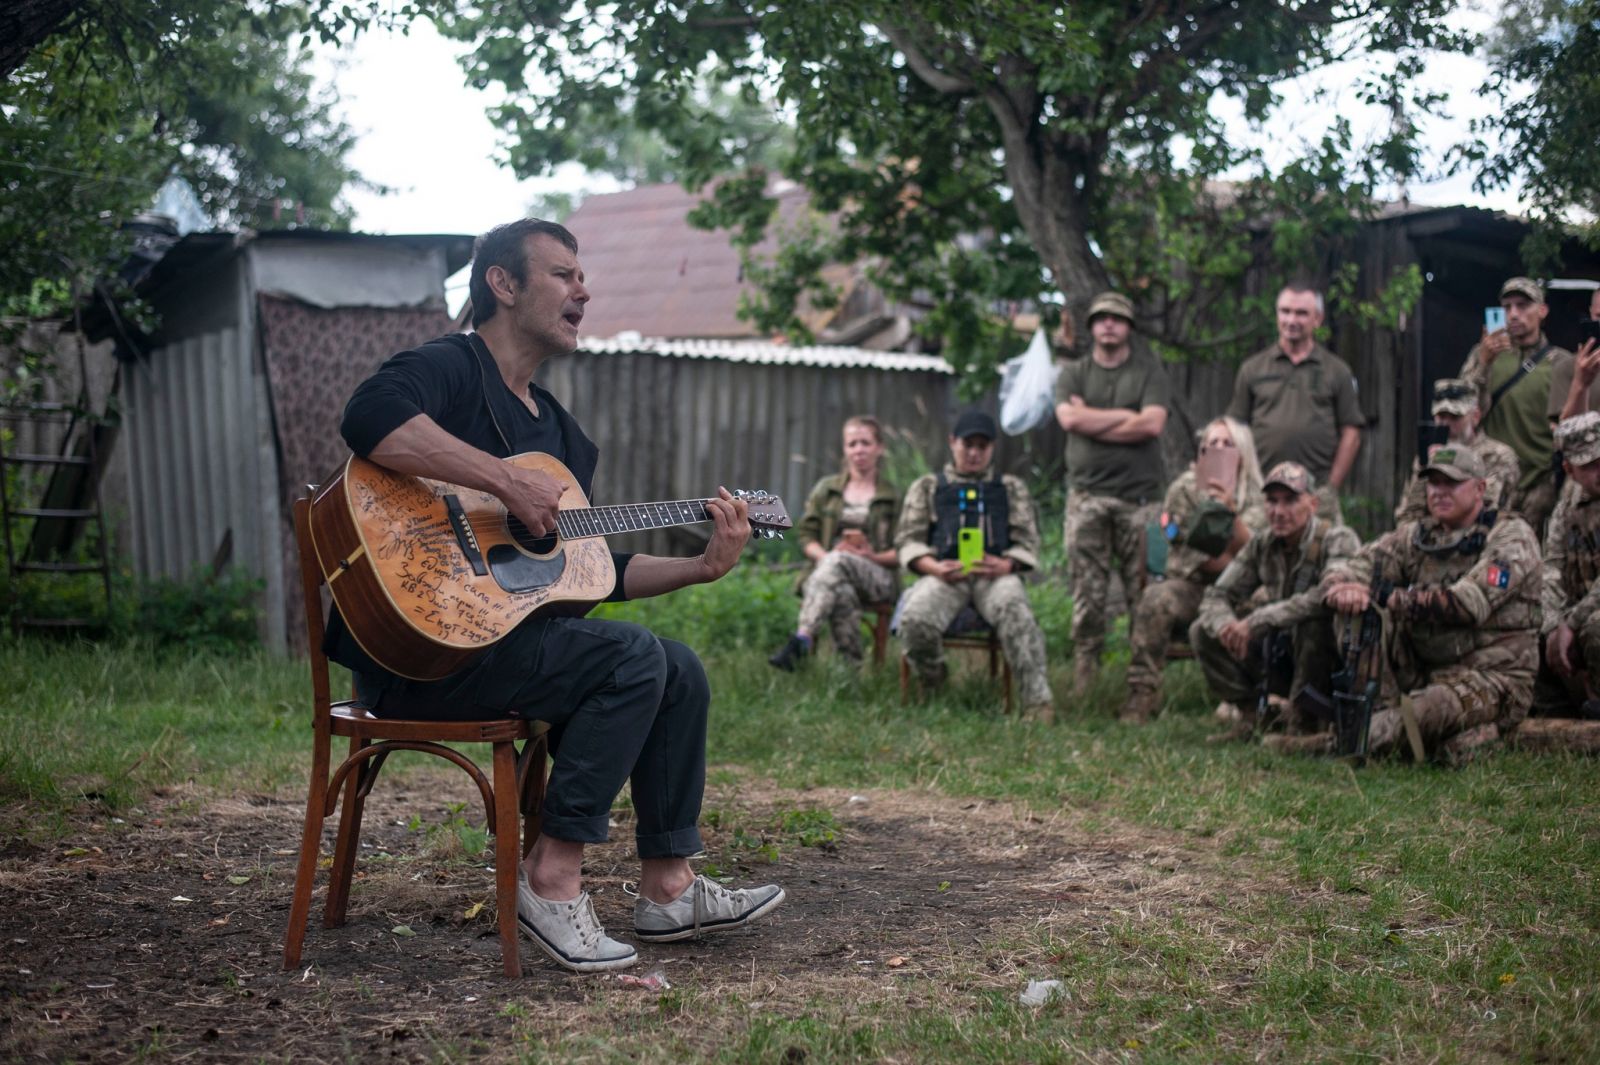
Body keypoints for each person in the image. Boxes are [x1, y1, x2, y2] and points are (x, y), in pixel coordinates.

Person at [328, 218, 783, 973]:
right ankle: (550, 877)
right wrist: (502, 477)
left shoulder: (564, 438)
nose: (585, 290)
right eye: (563, 275)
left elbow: (586, 571)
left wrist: (701, 566)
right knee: (632, 658)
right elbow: (367, 419)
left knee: (676, 666)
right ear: (502, 284)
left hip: (507, 648)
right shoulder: (450, 367)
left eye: (582, 277)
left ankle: (668, 886)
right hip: (424, 651)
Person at [1301, 446, 1541, 761]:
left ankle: (1355, 740)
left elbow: (1467, 604)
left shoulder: (1511, 537)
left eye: (1451, 483)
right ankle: (1379, 715)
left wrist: (1384, 596)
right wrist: (1340, 587)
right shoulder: (1417, 535)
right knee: (1354, 612)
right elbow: (1354, 565)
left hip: (1492, 677)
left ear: (1480, 488)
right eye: (1433, 483)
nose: (1439, 492)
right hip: (1424, 667)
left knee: (1429, 710)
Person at [894, 410, 1055, 722]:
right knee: (914, 620)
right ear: (953, 442)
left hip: (994, 576)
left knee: (1015, 608)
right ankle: (935, 683)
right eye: (968, 444)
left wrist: (1005, 564)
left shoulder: (1010, 489)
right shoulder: (927, 487)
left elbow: (1029, 542)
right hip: (945, 575)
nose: (974, 452)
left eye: (982, 446)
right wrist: (934, 567)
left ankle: (1037, 703)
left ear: (992, 448)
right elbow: (908, 541)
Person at [1190, 462, 1360, 742]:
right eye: (1272, 501)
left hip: (1329, 661)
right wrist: (1227, 626)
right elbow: (1217, 595)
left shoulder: (1338, 538)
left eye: (1290, 501)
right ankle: (1252, 716)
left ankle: (1304, 724)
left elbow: (1325, 597)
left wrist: (1257, 621)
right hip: (1281, 653)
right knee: (1202, 630)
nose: (1279, 512)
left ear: (1313, 504)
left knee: (1312, 624)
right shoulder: (1262, 544)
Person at [1054, 291, 1172, 692]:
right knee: (1088, 594)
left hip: (1141, 502)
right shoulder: (1073, 373)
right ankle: (1086, 682)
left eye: (1117, 319)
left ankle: (1142, 684)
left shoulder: (1149, 372)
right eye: (1101, 318)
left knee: (1146, 593)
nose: (1109, 324)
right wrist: (1126, 416)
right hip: (1086, 498)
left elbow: (1152, 425)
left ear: (1128, 328)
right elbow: (1068, 419)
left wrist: (1092, 418)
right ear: (1091, 327)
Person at [1122, 417, 1267, 724]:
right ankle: (1141, 695)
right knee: (1156, 599)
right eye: (1210, 443)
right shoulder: (1184, 489)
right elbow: (1185, 550)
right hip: (1195, 585)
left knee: (1267, 605)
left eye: (1227, 443)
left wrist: (1230, 515)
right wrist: (1230, 555)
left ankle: (1246, 700)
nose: (1218, 448)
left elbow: (1257, 553)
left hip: (1241, 592)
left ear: (1242, 450)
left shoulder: (1262, 494)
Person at [769, 416, 900, 669]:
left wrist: (870, 555)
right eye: (852, 444)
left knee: (838, 561)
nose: (859, 449)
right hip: (830, 571)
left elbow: (904, 550)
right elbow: (806, 536)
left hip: (878, 575)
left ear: (879, 448)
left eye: (865, 443)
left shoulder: (892, 496)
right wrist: (826, 558)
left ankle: (802, 637)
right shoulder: (826, 489)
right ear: (845, 449)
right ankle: (850, 672)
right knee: (841, 591)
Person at [1226, 282, 1363, 523]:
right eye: (1285, 311)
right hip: (1262, 493)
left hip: (1315, 493)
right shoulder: (1253, 368)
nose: (1292, 319)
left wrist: (1330, 487)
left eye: (1301, 313)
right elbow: (1234, 430)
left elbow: (1351, 433)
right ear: (1277, 314)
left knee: (1325, 556)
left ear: (1317, 319)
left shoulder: (1336, 370)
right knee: (1257, 557)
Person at [1458, 277, 1573, 535]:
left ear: (1542, 311)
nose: (1514, 314)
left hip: (1541, 483)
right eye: (1507, 307)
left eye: (1523, 305)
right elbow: (1463, 412)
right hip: (1493, 479)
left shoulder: (1562, 362)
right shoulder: (1483, 355)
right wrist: (1484, 363)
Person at [1535, 412, 1600, 718]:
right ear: (1569, 469)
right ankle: (1559, 708)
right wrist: (1551, 626)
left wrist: (1570, 624)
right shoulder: (1567, 507)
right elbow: (1552, 567)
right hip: (1579, 609)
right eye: (1590, 465)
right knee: (1529, 624)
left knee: (1595, 627)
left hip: (1588, 615)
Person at [1393, 378, 1519, 524]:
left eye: (1455, 417)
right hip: (1430, 538)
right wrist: (1424, 468)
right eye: (1441, 416)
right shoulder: (1430, 456)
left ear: (1475, 417)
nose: (1446, 424)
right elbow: (1407, 517)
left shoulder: (1497, 456)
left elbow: (1481, 509)